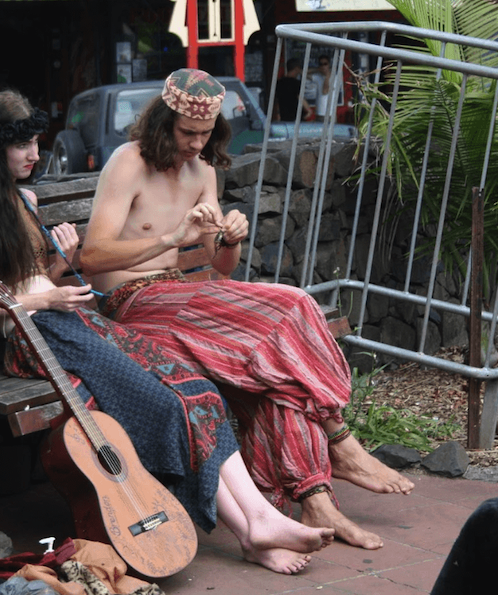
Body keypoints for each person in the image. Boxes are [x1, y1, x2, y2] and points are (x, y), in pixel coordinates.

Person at [0, 89, 333, 575]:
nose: (35, 153)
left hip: (74, 320)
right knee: (160, 404)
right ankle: (251, 530)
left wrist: (58, 269)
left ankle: (258, 522)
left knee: (199, 391)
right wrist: (46, 296)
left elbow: (37, 279)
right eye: (22, 144)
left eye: (36, 142)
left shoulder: (25, 198)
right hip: (35, 337)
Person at [80, 69, 415, 550]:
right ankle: (340, 442)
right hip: (134, 306)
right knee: (293, 304)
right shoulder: (129, 162)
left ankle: (316, 497)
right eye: (187, 133)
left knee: (270, 377)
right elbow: (91, 258)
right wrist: (172, 239)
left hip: (183, 298)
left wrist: (230, 238)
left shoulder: (202, 173)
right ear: (163, 123)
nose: (197, 144)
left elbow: (221, 268)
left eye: (205, 134)